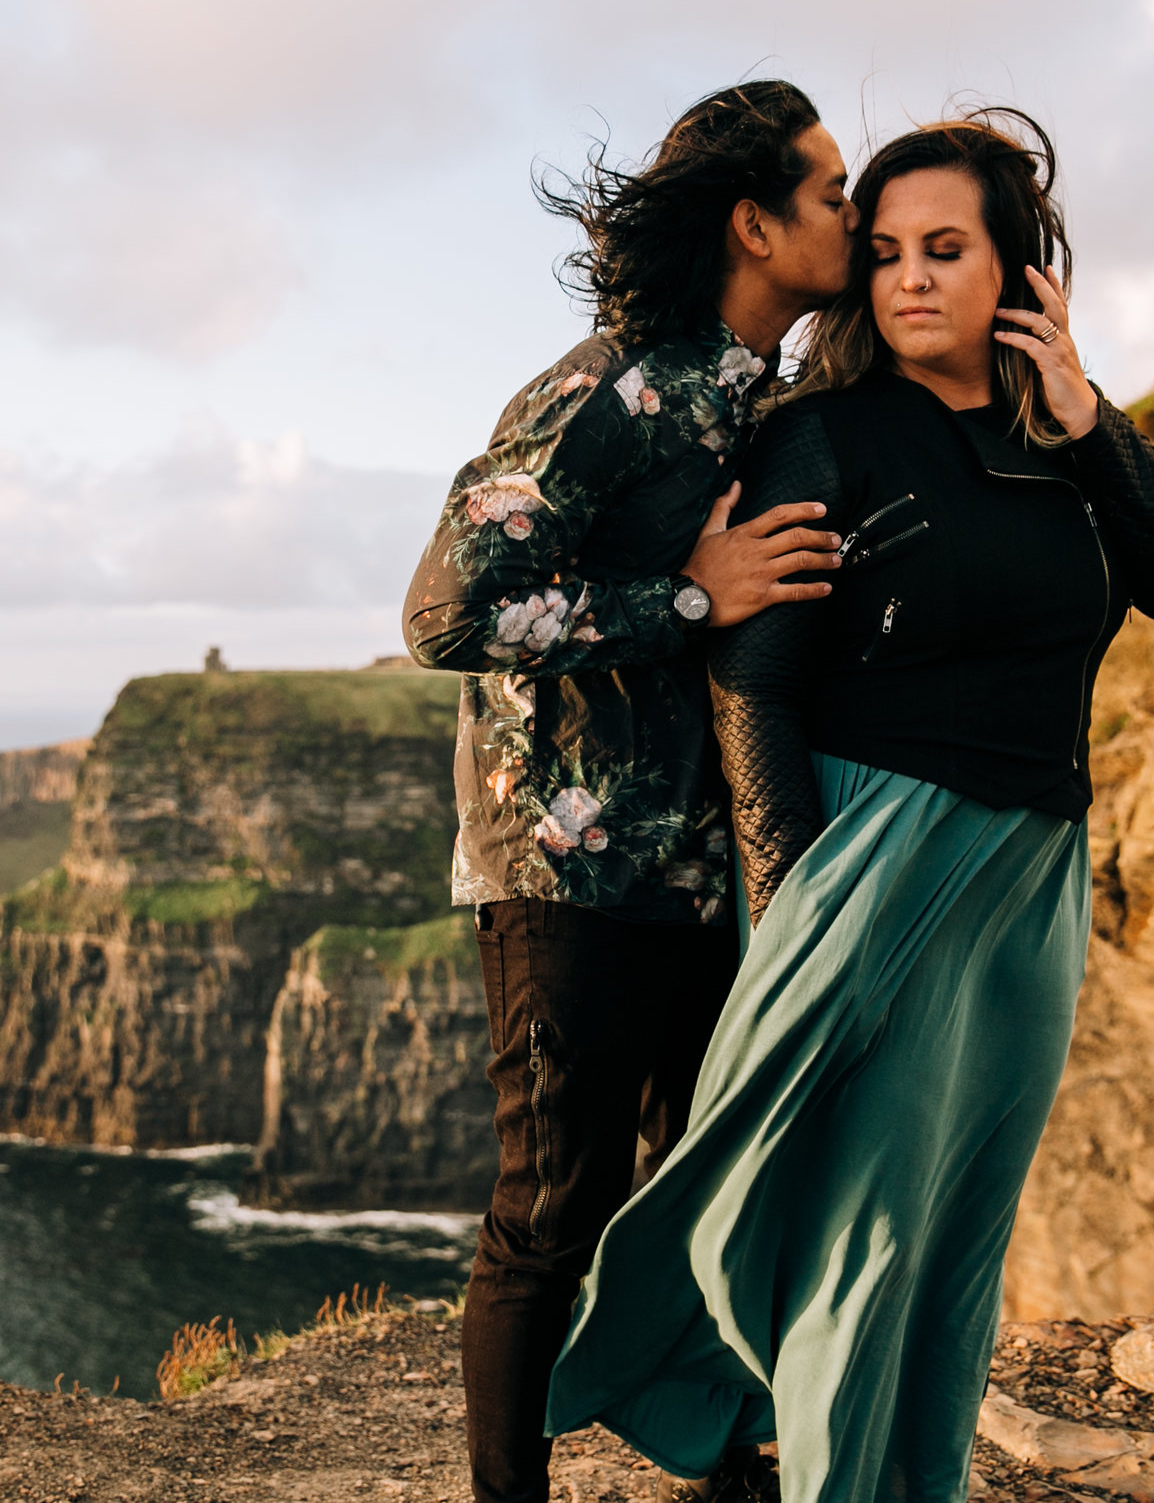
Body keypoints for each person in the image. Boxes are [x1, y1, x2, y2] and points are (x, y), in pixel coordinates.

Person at [542, 110, 1154, 1503]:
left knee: (956, 1234)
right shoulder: (829, 438)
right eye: (885, 253)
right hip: (868, 853)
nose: (911, 276)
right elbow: (759, 684)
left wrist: (1091, 422)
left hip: (1032, 876)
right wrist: (799, 900)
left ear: (1018, 276)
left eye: (945, 249)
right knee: (863, 1235)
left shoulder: (1074, 452)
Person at [402, 80, 858, 1503]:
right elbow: (445, 615)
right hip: (568, 872)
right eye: (833, 192)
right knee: (552, 1212)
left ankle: (724, 1471)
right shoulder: (605, 386)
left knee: (712, 1181)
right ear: (755, 221)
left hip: (712, 869)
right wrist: (682, 594)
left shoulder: (769, 403)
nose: (857, 213)